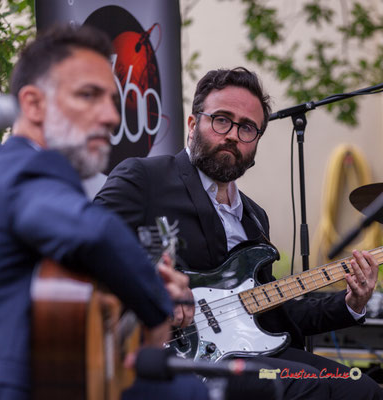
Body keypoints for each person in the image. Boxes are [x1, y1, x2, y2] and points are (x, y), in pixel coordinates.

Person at [95, 67, 383, 399]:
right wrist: (152, 289)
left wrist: (352, 303)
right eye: (221, 120)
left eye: (247, 128)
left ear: (256, 142)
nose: (233, 134)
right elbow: (88, 245)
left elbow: (277, 311)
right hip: (173, 357)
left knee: (361, 388)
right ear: (193, 125)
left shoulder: (254, 218)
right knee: (318, 390)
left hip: (254, 356)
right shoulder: (144, 178)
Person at [0, 24, 208, 400]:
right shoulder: (24, 169)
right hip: (24, 386)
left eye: (112, 100)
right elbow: (94, 232)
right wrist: (157, 303)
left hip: (51, 371)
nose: (110, 116)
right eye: (88, 96)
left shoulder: (6, 169)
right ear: (34, 104)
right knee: (186, 390)